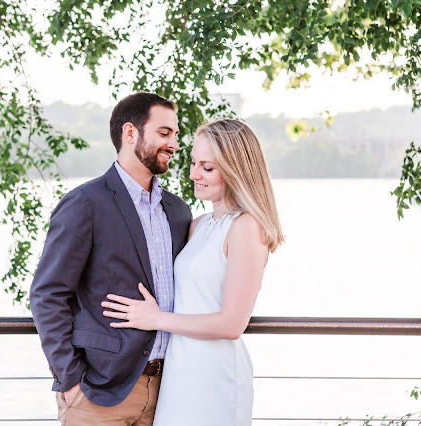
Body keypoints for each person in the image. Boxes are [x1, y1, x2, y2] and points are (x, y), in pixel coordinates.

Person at [102, 119, 284, 425]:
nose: (193, 174)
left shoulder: (247, 227)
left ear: (236, 169)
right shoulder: (198, 226)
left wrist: (156, 318)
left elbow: (232, 324)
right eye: (193, 162)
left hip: (214, 375)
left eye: (207, 167)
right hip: (178, 370)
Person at [29, 92, 192, 425]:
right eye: (164, 133)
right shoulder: (85, 203)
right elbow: (47, 295)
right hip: (99, 393)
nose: (175, 144)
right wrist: (71, 378)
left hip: (171, 391)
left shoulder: (178, 211)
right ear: (130, 133)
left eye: (175, 134)